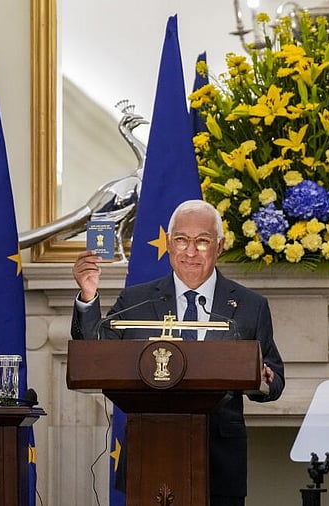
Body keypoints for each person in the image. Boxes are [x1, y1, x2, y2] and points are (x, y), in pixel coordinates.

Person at [71, 199, 285, 506]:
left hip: (220, 460)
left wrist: (263, 379)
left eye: (202, 241)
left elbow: (275, 377)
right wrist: (88, 296)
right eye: (181, 241)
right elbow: (95, 351)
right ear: (170, 246)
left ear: (220, 246)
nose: (190, 251)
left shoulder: (250, 306)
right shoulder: (137, 299)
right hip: (149, 452)